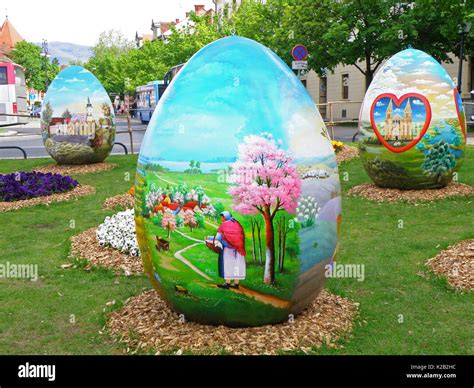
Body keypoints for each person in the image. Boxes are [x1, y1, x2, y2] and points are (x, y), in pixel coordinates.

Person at [208, 211, 246, 289]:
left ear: (225, 217)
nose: (221, 218)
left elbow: (218, 238)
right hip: (239, 249)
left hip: (228, 248)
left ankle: (227, 284)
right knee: (237, 265)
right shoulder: (237, 224)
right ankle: (236, 284)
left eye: (222, 217)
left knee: (228, 265)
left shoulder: (223, 225)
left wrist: (209, 238)